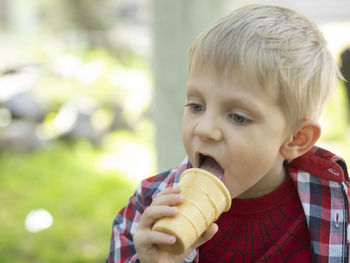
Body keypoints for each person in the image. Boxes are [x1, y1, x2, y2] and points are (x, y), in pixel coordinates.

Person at [106, 4, 349, 263]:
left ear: (296, 138)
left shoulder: (337, 210)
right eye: (196, 106)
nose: (205, 129)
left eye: (237, 117)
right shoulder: (146, 210)